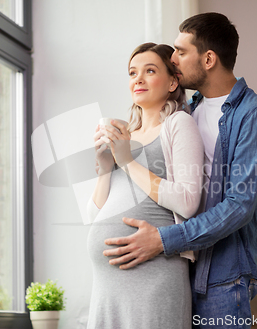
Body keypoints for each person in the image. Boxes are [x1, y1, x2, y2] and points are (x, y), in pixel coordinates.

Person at [102, 12, 257, 328]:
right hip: (182, 270)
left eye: (181, 52)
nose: (173, 58)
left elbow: (239, 206)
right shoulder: (189, 110)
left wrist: (164, 240)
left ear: (208, 59)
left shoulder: (253, 115)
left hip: (223, 278)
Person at [86, 42, 205, 329]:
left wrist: (127, 161)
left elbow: (189, 201)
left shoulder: (179, 124)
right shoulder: (126, 133)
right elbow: (94, 219)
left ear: (173, 81)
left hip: (154, 278)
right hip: (106, 288)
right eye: (132, 73)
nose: (137, 79)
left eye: (149, 71)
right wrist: (105, 168)